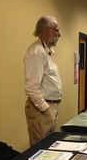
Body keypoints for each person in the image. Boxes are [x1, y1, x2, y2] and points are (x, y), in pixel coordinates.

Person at [24, 16, 62, 147]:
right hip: (41, 108)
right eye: (56, 31)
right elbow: (32, 88)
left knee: (48, 147)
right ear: (46, 31)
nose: (60, 35)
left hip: (51, 106)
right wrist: (46, 109)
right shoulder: (36, 53)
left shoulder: (47, 52)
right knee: (39, 149)